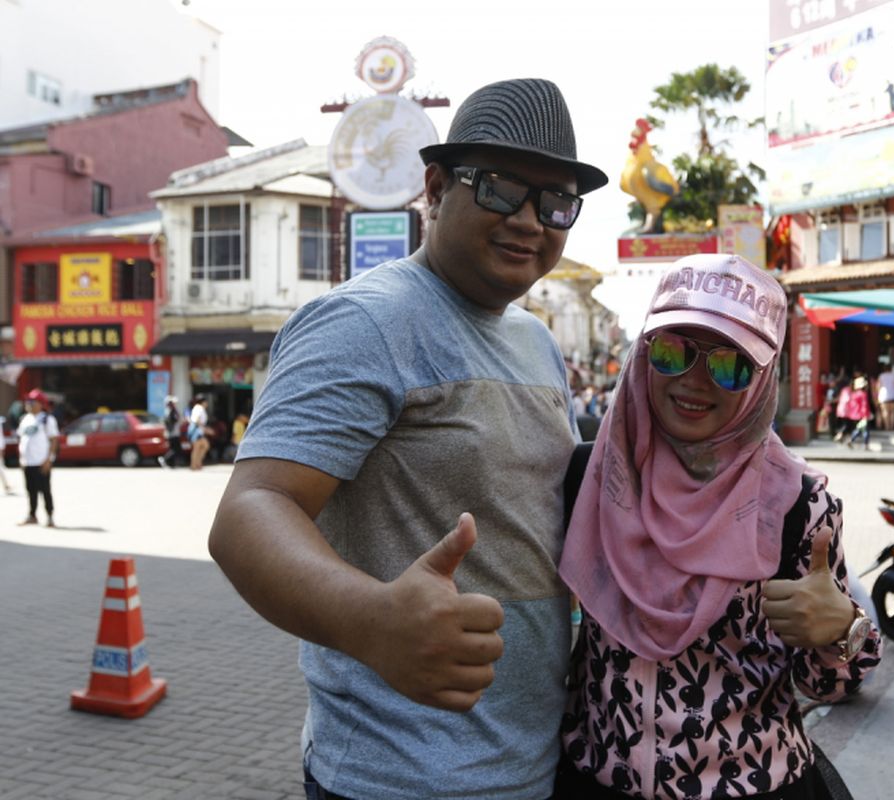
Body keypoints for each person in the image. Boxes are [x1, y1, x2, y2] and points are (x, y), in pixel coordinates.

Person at [207, 78, 608, 800]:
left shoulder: (537, 343)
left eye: (555, 203)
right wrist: (369, 621)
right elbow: (251, 510)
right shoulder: (365, 322)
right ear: (434, 185)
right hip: (398, 777)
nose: (529, 220)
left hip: (537, 764)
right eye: (500, 188)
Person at [557, 253, 880, 798]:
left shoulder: (799, 505)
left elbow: (830, 682)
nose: (695, 381)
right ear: (643, 353)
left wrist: (841, 629)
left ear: (761, 379)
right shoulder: (589, 478)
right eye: (673, 350)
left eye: (731, 364)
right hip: (597, 779)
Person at [17, 388, 58, 527]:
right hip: (28, 462)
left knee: (45, 490)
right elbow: (22, 440)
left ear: (40, 403)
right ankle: (32, 515)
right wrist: (22, 459)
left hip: (41, 462)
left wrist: (49, 459)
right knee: (30, 490)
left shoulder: (47, 419)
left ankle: (50, 516)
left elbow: (53, 440)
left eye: (32, 401)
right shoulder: (25, 419)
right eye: (28, 401)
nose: (28, 403)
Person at [844, 375, 871, 449]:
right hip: (862, 415)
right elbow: (864, 406)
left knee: (860, 429)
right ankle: (865, 443)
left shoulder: (854, 394)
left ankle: (852, 440)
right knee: (864, 430)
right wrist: (866, 415)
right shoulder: (863, 394)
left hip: (855, 415)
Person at [159, 396, 184, 469]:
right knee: (175, 449)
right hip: (172, 433)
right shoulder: (170, 411)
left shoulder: (171, 410)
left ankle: (171, 464)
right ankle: (164, 459)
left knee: (173, 448)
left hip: (174, 432)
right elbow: (171, 421)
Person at [188, 396, 211, 470]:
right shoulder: (199, 408)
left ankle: (197, 463)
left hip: (199, 430)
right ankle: (194, 465)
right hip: (197, 431)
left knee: (203, 446)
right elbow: (196, 419)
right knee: (198, 447)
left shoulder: (198, 408)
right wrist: (205, 429)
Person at [877, 364, 894, 431]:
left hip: (884, 396)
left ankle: (887, 427)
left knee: (885, 411)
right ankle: (892, 427)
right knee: (893, 412)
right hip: (893, 395)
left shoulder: (881, 376)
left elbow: (878, 386)